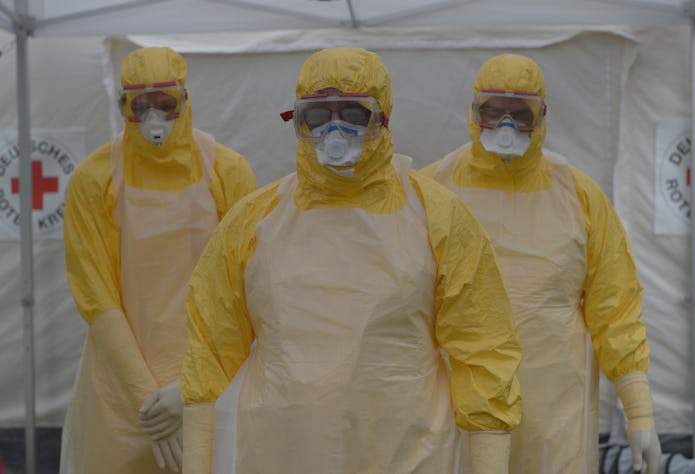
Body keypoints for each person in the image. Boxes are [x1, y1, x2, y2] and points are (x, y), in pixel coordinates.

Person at [180, 47, 522, 474]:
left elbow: (484, 349)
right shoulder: (253, 221)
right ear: (298, 121)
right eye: (318, 115)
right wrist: (197, 458)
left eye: (354, 114)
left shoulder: (437, 216)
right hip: (279, 449)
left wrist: (488, 462)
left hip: (406, 451)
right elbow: (210, 350)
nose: (335, 129)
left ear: (382, 117)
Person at [421, 53, 662, 473]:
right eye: (492, 112)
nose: (506, 126)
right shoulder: (429, 190)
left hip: (556, 410)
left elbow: (615, 306)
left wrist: (638, 409)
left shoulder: (579, 196)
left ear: (542, 116)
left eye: (522, 113)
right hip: (457, 405)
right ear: (474, 112)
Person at [60, 46, 256, 473]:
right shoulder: (93, 181)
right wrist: (149, 402)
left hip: (207, 384)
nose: (154, 116)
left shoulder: (228, 173)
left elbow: (241, 292)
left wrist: (190, 390)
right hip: (119, 393)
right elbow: (97, 298)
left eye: (166, 104)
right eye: (141, 105)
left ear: (186, 101)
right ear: (123, 106)